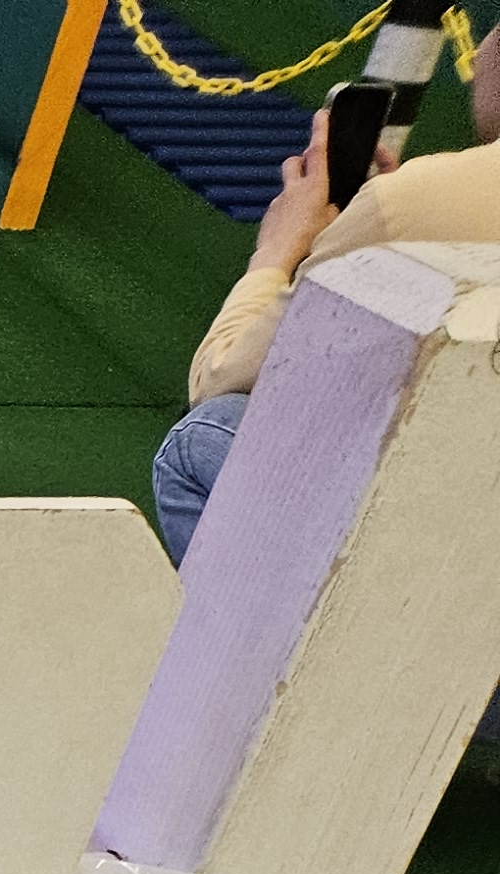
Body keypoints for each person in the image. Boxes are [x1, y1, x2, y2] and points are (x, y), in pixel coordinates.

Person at [156, 52, 500, 563]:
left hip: (443, 516)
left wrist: (277, 251)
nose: (476, 55)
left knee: (202, 433)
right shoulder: (412, 198)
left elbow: (221, 376)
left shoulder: (412, 200)